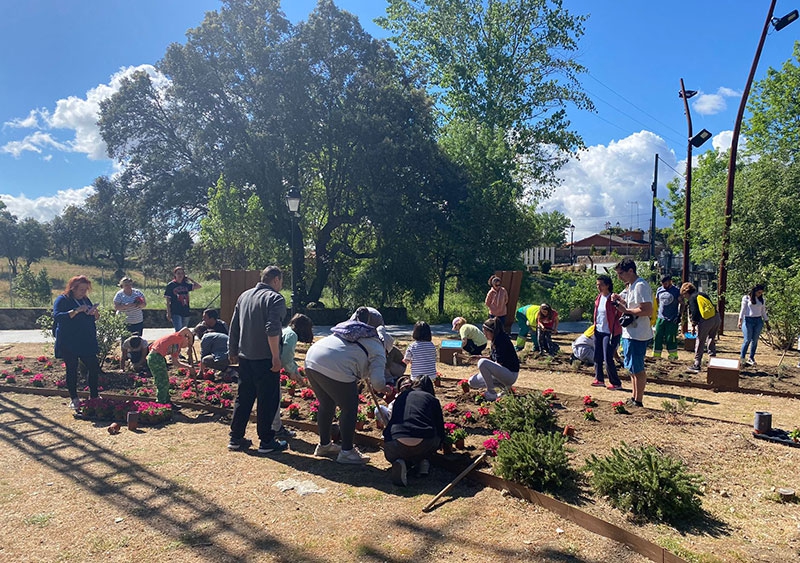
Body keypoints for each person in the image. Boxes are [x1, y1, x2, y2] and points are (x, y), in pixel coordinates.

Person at [304, 310, 388, 465]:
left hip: (312, 359)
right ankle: (347, 451)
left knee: (326, 404)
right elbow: (377, 382)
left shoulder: (346, 329)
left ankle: (324, 445)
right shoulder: (376, 345)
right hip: (335, 366)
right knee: (349, 407)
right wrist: (385, 388)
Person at [227, 266, 288, 454]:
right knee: (267, 399)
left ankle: (235, 438)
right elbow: (272, 329)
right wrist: (276, 357)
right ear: (276, 280)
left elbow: (234, 325)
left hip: (245, 357)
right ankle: (266, 441)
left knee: (243, 398)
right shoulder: (276, 299)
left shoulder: (244, 296)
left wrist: (232, 350)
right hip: (265, 358)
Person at [382, 376, 447, 487]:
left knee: (399, 449)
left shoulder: (402, 397)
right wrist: (442, 444)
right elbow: (440, 428)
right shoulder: (432, 399)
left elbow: (391, 423)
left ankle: (402, 462)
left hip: (395, 444)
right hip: (424, 443)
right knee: (430, 438)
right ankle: (423, 460)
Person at [53, 275, 102, 410]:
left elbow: (95, 318)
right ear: (73, 288)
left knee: (93, 367)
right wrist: (76, 311)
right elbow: (57, 316)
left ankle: (94, 396)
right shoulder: (63, 300)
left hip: (85, 340)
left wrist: (94, 313)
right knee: (72, 369)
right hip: (69, 341)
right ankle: (74, 398)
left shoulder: (85, 299)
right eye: (81, 289)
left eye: (86, 289)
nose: (83, 292)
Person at [612, 258, 653, 408]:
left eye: (621, 273)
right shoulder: (631, 286)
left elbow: (647, 310)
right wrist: (620, 300)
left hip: (638, 334)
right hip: (629, 333)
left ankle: (639, 400)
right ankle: (634, 397)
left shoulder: (640, 285)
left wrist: (626, 311)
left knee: (638, 368)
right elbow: (631, 304)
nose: (619, 277)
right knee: (631, 368)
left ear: (631, 271)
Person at [271, 313, 315, 440]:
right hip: (272, 368)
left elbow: (288, 358)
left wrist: (296, 371)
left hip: (270, 366)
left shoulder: (288, 331)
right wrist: (292, 372)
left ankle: (275, 427)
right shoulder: (292, 335)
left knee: (274, 398)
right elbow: (285, 358)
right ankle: (276, 429)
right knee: (274, 398)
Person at [467, 318, 520, 401]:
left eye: (485, 331)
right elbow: (493, 358)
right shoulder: (494, 340)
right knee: (472, 381)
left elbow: (499, 363)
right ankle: (506, 389)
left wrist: (488, 370)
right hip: (502, 373)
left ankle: (491, 393)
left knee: (482, 363)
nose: (484, 334)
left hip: (510, 374)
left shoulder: (502, 341)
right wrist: (478, 357)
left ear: (491, 331)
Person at [146, 327, 195, 403]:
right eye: (187, 344)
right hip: (155, 357)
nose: (185, 347)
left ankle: (167, 401)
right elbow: (186, 329)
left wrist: (189, 367)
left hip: (159, 358)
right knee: (162, 382)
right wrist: (190, 345)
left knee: (165, 381)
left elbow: (176, 362)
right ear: (187, 339)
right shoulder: (178, 337)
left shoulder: (176, 348)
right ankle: (161, 402)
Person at [591, 275, 623, 390]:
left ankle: (616, 382)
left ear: (607, 285)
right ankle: (599, 379)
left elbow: (621, 313)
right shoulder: (599, 297)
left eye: (601, 285)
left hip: (610, 332)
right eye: (597, 285)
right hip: (598, 330)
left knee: (608, 357)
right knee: (597, 356)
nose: (598, 287)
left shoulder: (613, 299)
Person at [680, 283, 720, 374]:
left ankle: (697, 364)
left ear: (686, 292)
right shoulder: (702, 294)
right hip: (716, 317)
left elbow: (694, 313)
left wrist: (693, 326)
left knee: (700, 341)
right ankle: (713, 362)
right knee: (711, 339)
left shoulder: (692, 298)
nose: (684, 297)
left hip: (705, 320)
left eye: (684, 295)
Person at [738, 284, 770, 366]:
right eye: (759, 292)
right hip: (748, 320)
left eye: (761, 293)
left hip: (758, 320)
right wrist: (740, 321)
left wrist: (767, 322)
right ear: (754, 291)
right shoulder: (746, 298)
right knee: (747, 339)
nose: (760, 294)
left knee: (755, 340)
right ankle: (742, 358)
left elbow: (763, 311)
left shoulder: (762, 300)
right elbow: (743, 310)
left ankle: (751, 357)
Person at [164, 266, 202, 331]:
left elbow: (198, 286)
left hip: (185, 310)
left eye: (182, 273)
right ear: (175, 274)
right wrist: (168, 312)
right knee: (179, 330)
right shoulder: (171, 285)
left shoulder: (186, 284)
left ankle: (182, 341)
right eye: (178, 273)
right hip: (175, 311)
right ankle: (177, 341)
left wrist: (190, 279)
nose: (180, 275)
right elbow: (168, 300)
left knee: (184, 330)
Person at [653, 275, 680, 360]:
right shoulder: (659, 290)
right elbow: (656, 302)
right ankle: (657, 355)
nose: (664, 285)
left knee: (670, 338)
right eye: (663, 284)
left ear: (670, 281)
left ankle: (673, 355)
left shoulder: (676, 291)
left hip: (671, 319)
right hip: (661, 318)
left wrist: (679, 315)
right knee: (657, 336)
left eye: (666, 283)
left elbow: (682, 303)